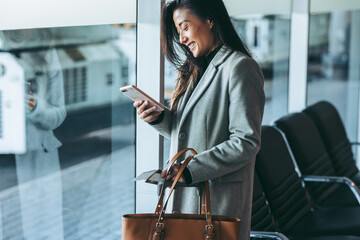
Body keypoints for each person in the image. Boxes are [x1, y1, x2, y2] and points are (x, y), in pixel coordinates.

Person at [133, 0, 265, 239]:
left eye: (184, 27)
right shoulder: (192, 70)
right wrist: (160, 118)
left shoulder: (240, 67)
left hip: (218, 203)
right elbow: (189, 130)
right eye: (178, 31)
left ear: (210, 20)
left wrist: (191, 170)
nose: (181, 39)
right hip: (185, 199)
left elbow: (246, 141)